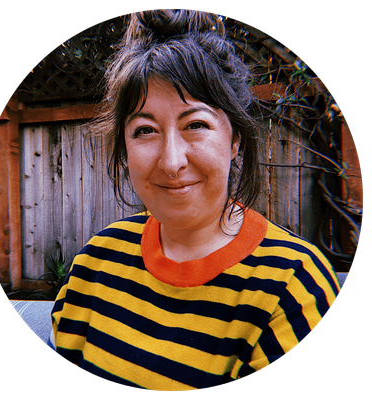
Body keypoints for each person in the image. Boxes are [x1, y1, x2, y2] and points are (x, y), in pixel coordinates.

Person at [51, 9, 340, 391]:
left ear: (235, 140)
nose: (171, 162)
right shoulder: (96, 260)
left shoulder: (293, 286)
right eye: (145, 130)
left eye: (196, 124)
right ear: (125, 146)